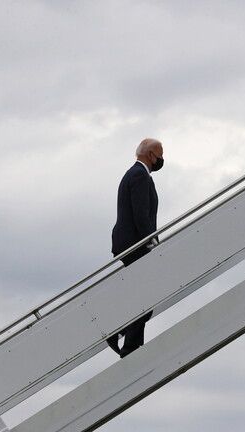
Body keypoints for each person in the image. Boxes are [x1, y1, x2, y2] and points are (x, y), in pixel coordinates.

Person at [107, 138, 164, 358]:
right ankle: (128, 343)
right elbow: (141, 214)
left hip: (127, 241)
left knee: (141, 294)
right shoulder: (140, 175)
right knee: (146, 295)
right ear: (151, 155)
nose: (161, 159)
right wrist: (151, 241)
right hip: (134, 243)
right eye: (160, 155)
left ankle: (124, 337)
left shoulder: (133, 173)